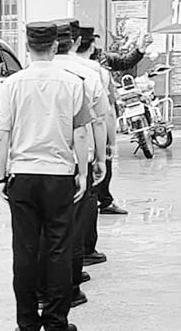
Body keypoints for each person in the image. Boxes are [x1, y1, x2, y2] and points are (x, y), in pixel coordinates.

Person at [0, 22, 93, 331]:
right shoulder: (73, 83)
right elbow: (80, 133)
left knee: (24, 251)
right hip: (59, 175)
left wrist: (0, 176)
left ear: (27, 47)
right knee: (59, 249)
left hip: (22, 176)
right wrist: (83, 172)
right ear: (54, 47)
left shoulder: (12, 84)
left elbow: (2, 134)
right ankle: (56, 321)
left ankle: (26, 323)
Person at [52, 19, 108, 305]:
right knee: (72, 226)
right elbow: (96, 122)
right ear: (73, 42)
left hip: (33, 164)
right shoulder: (88, 74)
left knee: (41, 231)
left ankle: (41, 293)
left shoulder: (22, 78)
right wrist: (99, 158)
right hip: (74, 159)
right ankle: (71, 288)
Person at [89, 31, 151, 216]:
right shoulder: (83, 69)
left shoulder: (102, 59)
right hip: (89, 121)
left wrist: (140, 49)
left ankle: (103, 200)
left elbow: (124, 62)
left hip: (101, 120)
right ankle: (88, 202)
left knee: (104, 163)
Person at [74, 27, 117, 261]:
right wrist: (105, 152)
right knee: (86, 199)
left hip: (32, 162)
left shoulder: (20, 79)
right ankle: (85, 252)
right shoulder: (93, 73)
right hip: (81, 151)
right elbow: (103, 116)